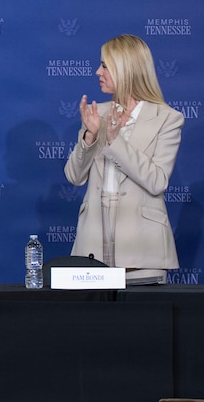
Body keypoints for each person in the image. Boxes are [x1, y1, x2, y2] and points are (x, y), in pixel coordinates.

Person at [64, 34, 184, 285]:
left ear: (126, 68)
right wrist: (89, 137)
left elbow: (156, 181)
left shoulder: (167, 118)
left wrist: (116, 142)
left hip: (143, 249)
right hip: (93, 242)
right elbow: (74, 176)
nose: (98, 72)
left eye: (104, 66)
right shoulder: (97, 114)